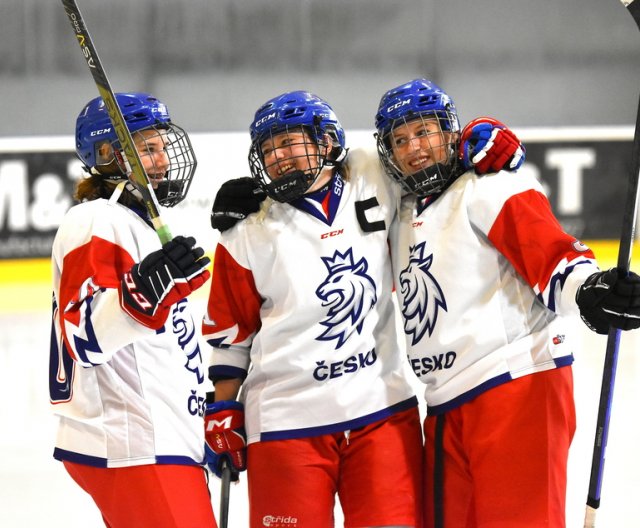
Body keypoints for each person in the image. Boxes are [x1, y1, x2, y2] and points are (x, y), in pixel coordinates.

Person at [202, 90, 524, 528]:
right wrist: (223, 408)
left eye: (287, 141)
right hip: (284, 422)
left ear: (327, 142)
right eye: (268, 148)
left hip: (382, 415)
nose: (277, 156)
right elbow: (230, 333)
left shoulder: (374, 174)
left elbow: (427, 151)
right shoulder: (246, 229)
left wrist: (486, 135)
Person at [374, 78, 640, 527]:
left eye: (424, 132)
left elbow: (553, 255)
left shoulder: (490, 186)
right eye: (400, 140)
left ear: (449, 131)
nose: (413, 147)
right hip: (443, 403)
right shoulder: (399, 213)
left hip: (517, 386)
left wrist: (590, 290)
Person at [49, 92, 215, 528]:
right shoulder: (97, 219)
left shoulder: (138, 221)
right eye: (146, 148)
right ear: (107, 154)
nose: (160, 160)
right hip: (132, 443)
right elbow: (83, 337)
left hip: (161, 439)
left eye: (161, 146)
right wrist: (146, 289)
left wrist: (200, 417)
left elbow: (167, 345)